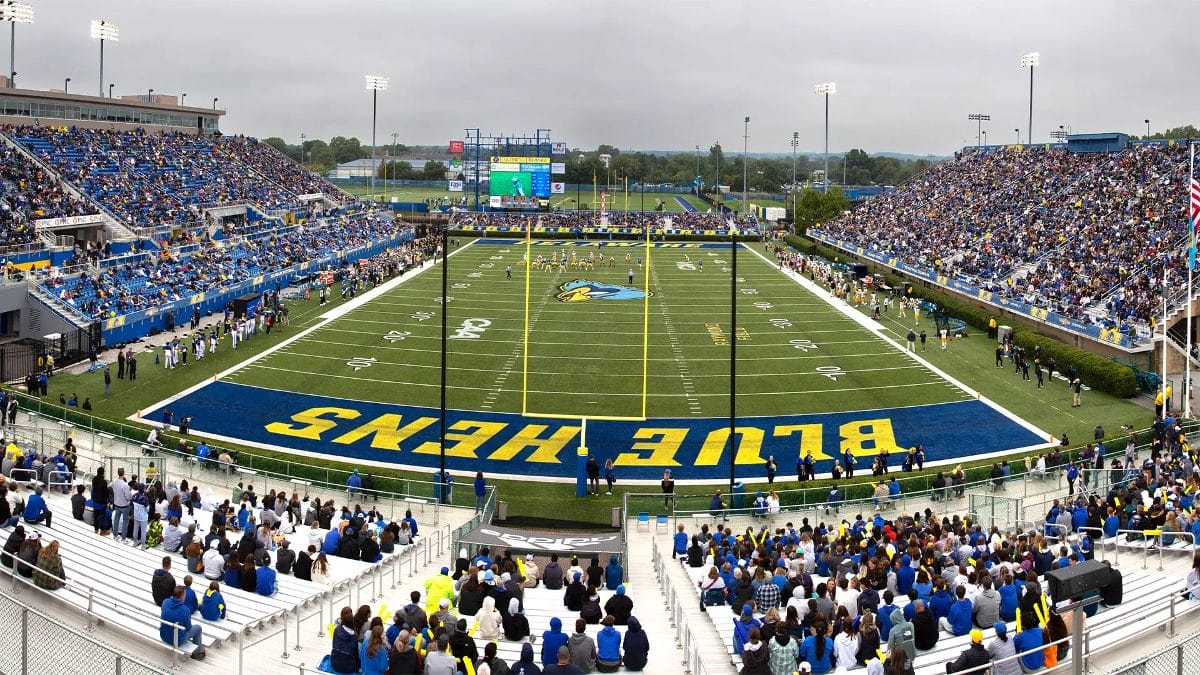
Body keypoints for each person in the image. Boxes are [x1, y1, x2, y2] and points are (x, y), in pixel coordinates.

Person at [160, 585, 206, 660]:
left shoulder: (165, 602)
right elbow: (188, 628)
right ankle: (197, 652)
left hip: (163, 635)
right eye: (185, 594)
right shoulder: (185, 610)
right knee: (198, 628)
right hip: (176, 640)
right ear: (182, 596)